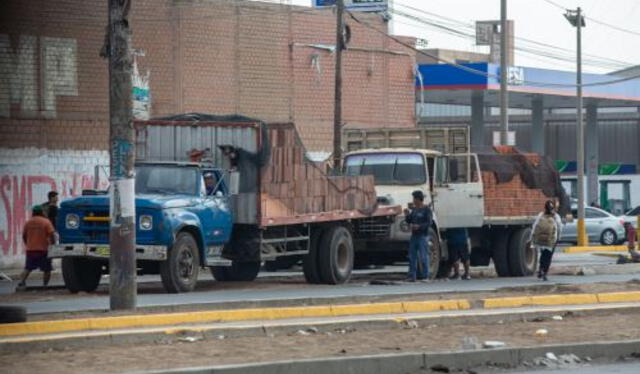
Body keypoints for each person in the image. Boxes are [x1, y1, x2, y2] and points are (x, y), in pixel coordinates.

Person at [17, 205, 56, 290]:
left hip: (31, 249)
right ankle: (44, 286)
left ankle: (21, 282)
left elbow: (24, 236)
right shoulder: (46, 222)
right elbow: (52, 234)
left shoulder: (28, 222)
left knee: (28, 268)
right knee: (47, 269)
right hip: (43, 250)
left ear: (33, 212)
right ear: (42, 212)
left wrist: (28, 244)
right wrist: (53, 244)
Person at [403, 190, 432, 282]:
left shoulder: (426, 210)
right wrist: (407, 215)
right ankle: (412, 276)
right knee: (412, 257)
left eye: (414, 198)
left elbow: (429, 223)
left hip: (422, 236)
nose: (413, 200)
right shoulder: (414, 210)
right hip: (414, 236)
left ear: (418, 199)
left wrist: (419, 226)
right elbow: (409, 220)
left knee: (424, 256)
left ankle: (425, 276)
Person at [531, 200, 562, 281]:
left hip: (541, 240)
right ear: (553, 208)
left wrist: (533, 236)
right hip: (551, 240)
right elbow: (559, 227)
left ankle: (540, 269)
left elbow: (535, 226)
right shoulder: (556, 216)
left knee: (543, 255)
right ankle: (545, 272)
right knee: (548, 256)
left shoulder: (541, 215)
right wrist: (559, 237)